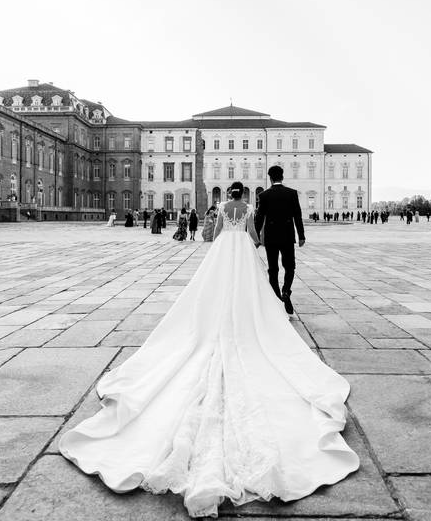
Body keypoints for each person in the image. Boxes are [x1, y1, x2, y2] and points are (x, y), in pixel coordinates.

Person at [59, 181, 358, 516]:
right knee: (248, 296)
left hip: (222, 255)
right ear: (243, 195)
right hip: (242, 253)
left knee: (211, 294)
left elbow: (214, 234)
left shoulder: (220, 210)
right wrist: (252, 243)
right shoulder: (247, 210)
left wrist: (223, 239)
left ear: (225, 195)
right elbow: (254, 236)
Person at [254, 165, 305, 316]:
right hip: (288, 236)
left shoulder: (264, 195)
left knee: (273, 269)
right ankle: (286, 291)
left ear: (270, 178)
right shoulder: (292, 194)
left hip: (271, 237)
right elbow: (298, 216)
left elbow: (259, 218)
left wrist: (256, 238)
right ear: (282, 177)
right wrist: (301, 236)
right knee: (290, 266)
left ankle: (276, 299)